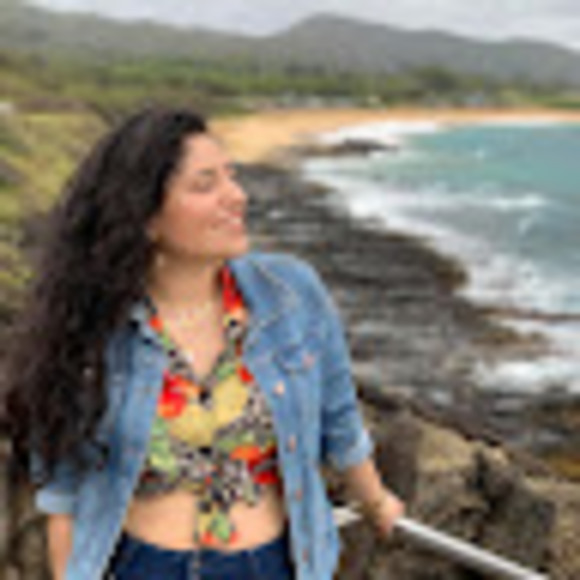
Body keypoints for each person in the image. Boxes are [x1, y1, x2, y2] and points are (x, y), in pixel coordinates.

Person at [4, 106, 405, 580]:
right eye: (205, 184)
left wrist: (376, 501)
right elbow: (65, 494)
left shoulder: (291, 294)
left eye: (231, 177)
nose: (236, 197)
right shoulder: (91, 325)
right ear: (145, 216)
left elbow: (340, 422)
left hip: (273, 566)